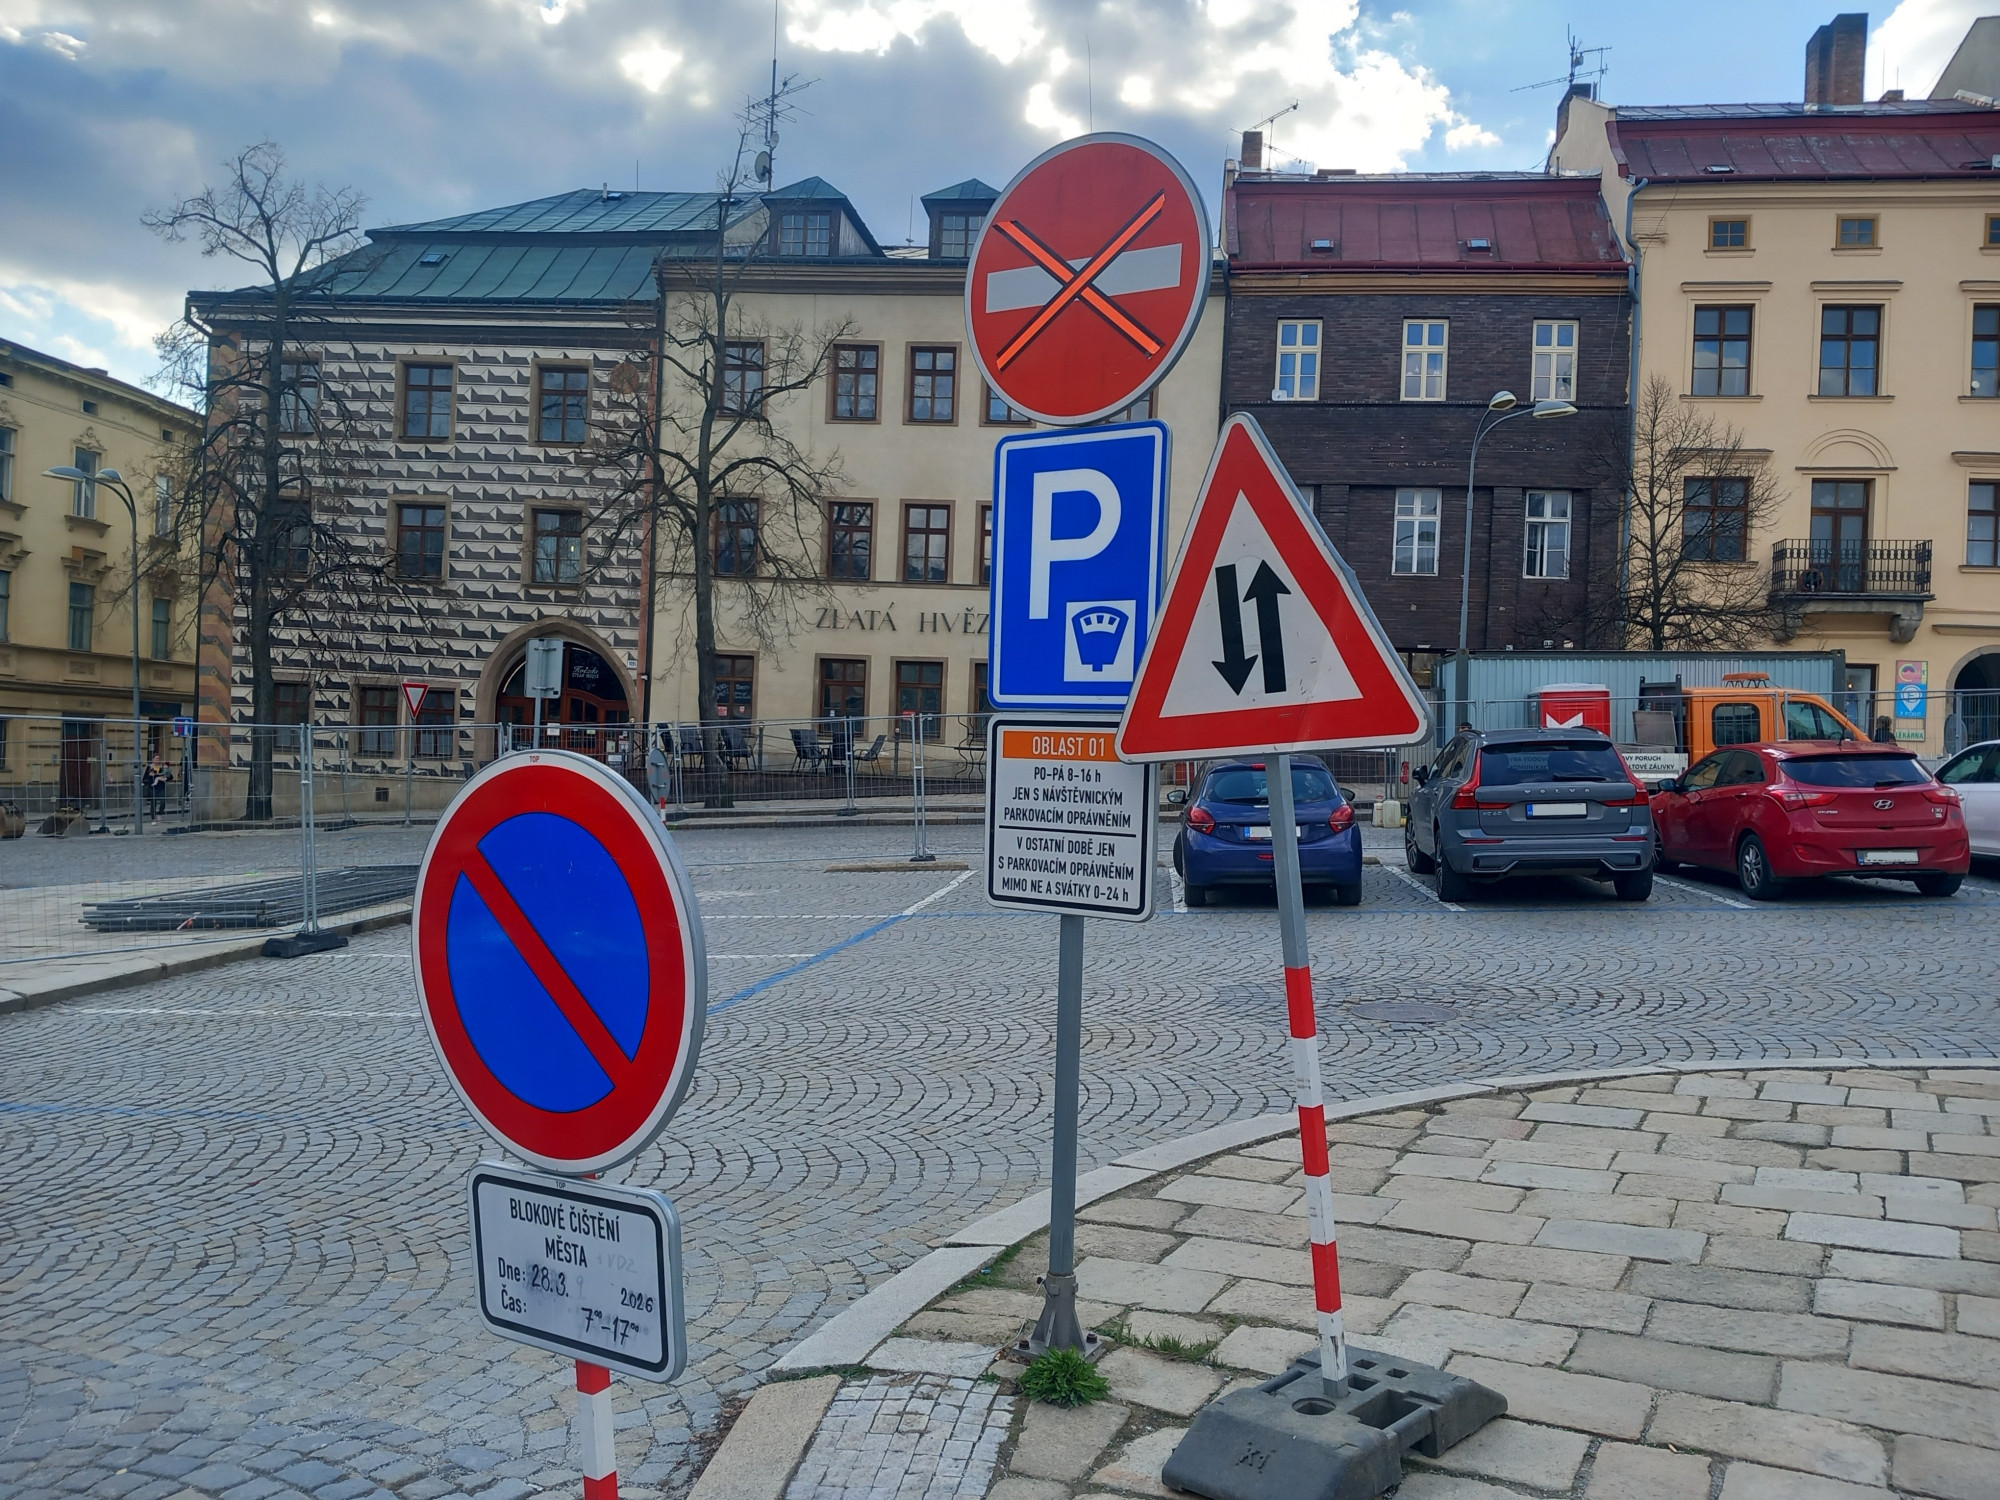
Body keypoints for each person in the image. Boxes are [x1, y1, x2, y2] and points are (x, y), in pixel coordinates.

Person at [143, 752, 170, 818]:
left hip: (161, 787)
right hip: (153, 787)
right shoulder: (150, 767)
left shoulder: (163, 767)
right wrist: (150, 776)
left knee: (163, 802)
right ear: (153, 759)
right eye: (156, 758)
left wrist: (166, 778)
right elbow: (145, 778)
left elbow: (170, 776)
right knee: (153, 803)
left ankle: (160, 813)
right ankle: (153, 818)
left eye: (158, 758)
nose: (157, 760)